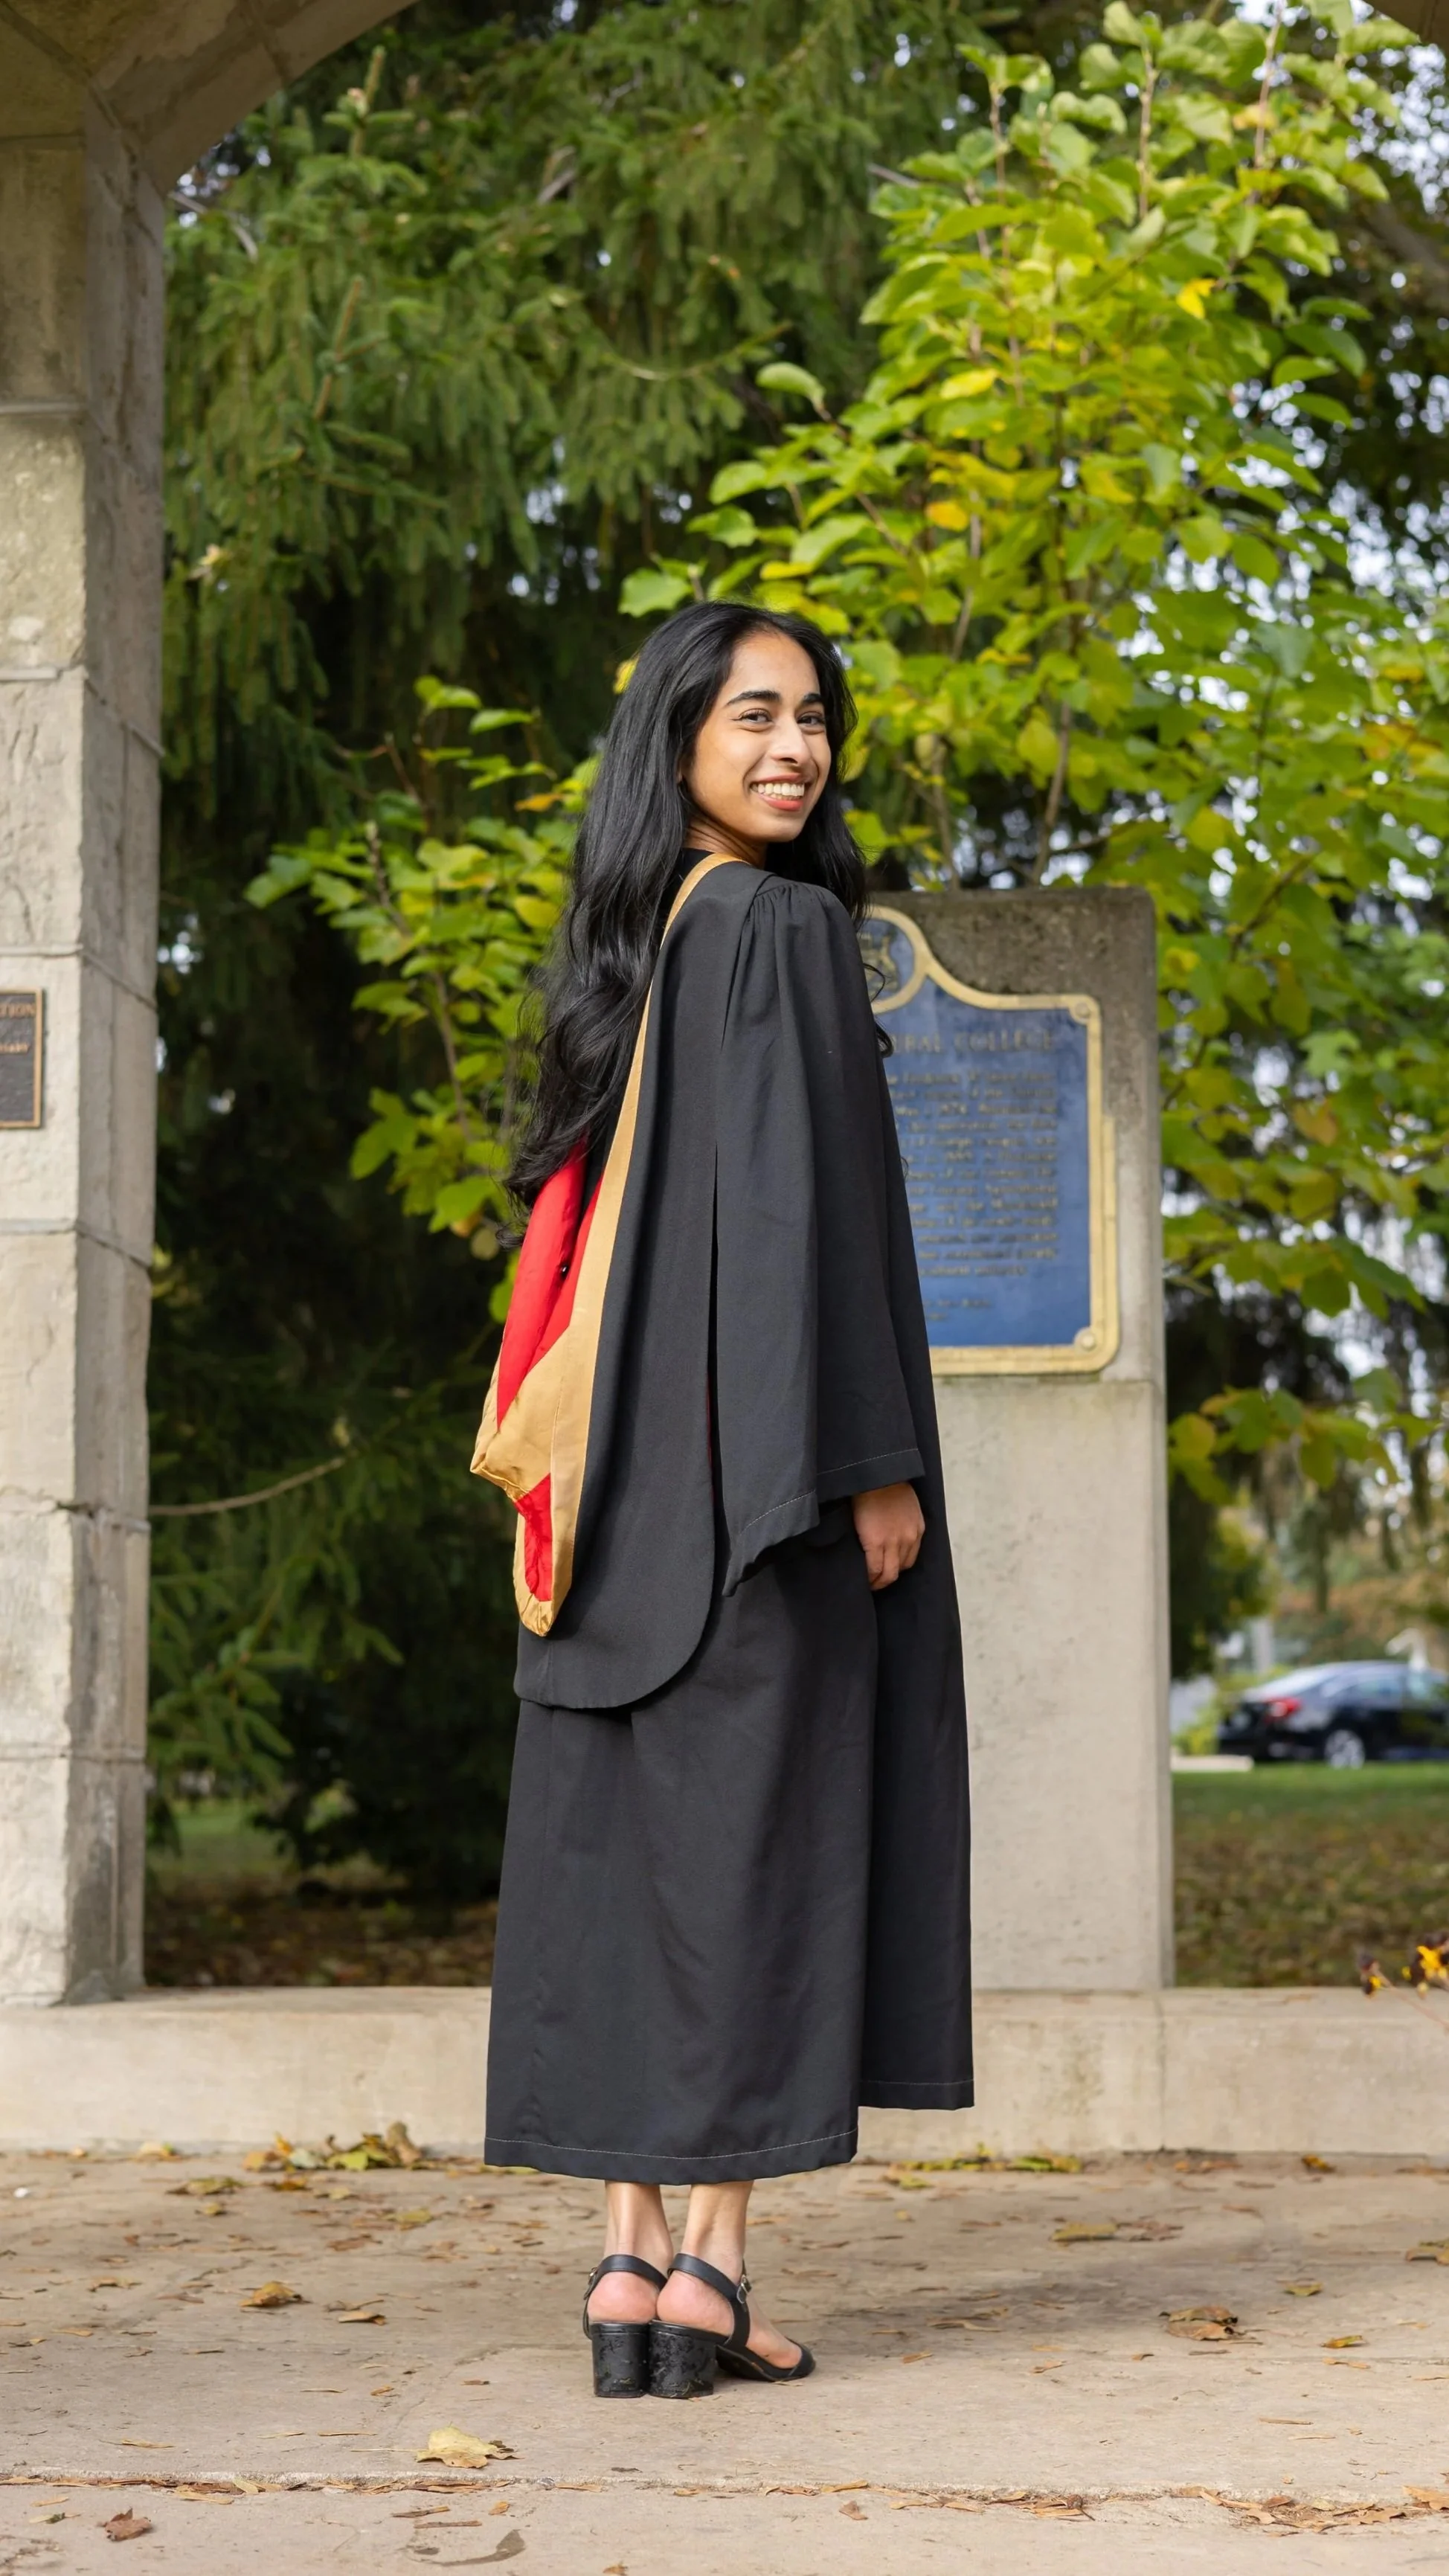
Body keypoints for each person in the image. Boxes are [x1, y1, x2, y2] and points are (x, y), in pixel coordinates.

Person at [472, 600, 971, 2401]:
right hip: (761, 1485)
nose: (795, 746)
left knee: (628, 1866)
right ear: (675, 735)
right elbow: (802, 1222)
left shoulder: (633, 945)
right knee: (760, 1860)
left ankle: (621, 2262)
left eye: (815, 718)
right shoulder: (780, 926)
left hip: (609, 1502)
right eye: (753, 714)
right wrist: (870, 1468)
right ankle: (714, 2275)